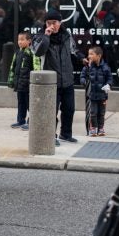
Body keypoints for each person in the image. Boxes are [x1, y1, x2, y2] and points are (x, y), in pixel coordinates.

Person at [32, 10, 86, 145]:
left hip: (67, 79)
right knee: (51, 111)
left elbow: (74, 49)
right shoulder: (39, 36)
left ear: (60, 22)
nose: (51, 25)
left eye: (54, 23)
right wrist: (46, 36)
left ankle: (65, 134)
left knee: (69, 109)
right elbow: (38, 52)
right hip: (51, 82)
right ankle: (51, 136)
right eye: (48, 23)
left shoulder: (67, 35)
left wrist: (82, 58)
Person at [7, 31, 40, 130]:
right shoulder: (18, 52)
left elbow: (37, 68)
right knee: (21, 103)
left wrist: (36, 82)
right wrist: (12, 81)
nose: (19, 42)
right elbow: (13, 67)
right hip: (20, 84)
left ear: (29, 41)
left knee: (31, 104)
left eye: (22, 39)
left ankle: (32, 122)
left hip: (28, 84)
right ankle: (21, 121)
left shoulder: (32, 53)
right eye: (18, 40)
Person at [80, 46, 113, 137]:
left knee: (101, 113)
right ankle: (93, 128)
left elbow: (110, 78)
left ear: (99, 56)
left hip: (102, 95)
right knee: (93, 113)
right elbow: (82, 75)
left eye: (91, 54)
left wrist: (108, 85)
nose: (89, 56)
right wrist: (83, 81)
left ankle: (101, 128)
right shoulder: (88, 67)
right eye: (88, 54)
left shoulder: (105, 67)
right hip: (92, 95)